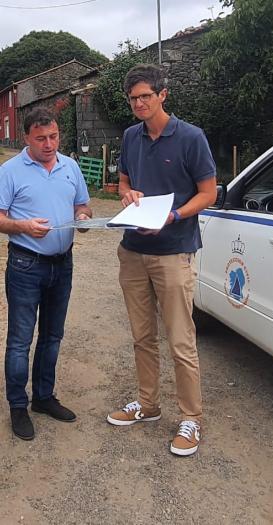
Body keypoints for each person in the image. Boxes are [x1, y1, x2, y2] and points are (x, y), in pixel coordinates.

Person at [106, 64, 217, 457]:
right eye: (133, 98)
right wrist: (127, 194)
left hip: (173, 251)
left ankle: (191, 418)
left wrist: (172, 216)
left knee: (181, 340)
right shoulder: (131, 136)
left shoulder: (190, 137)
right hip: (133, 250)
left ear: (162, 94)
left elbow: (208, 193)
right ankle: (148, 404)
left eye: (145, 97)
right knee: (142, 337)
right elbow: (122, 181)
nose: (139, 104)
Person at [0, 107, 92, 440]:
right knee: (20, 341)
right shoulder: (9, 171)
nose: (49, 144)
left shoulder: (70, 166)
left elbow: (83, 205)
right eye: (41, 139)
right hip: (26, 264)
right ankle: (17, 406)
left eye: (53, 136)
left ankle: (43, 397)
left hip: (62, 263)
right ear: (27, 138)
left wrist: (82, 218)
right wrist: (21, 225)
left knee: (53, 336)